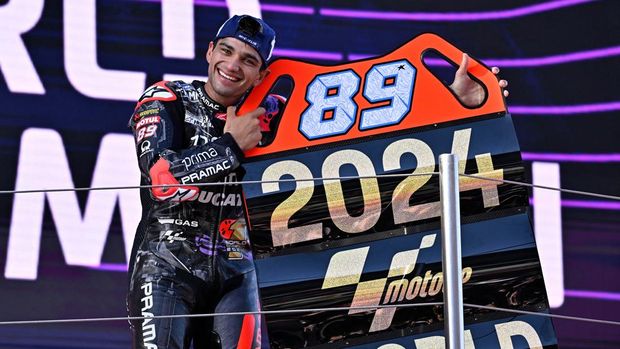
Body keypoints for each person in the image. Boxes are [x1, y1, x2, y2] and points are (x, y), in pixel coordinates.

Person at [126, 14, 508, 349]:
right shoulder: (168, 97)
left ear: (262, 73)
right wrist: (232, 146)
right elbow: (162, 180)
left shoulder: (278, 113)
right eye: (225, 51)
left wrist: (457, 102)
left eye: (248, 60)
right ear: (209, 52)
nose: (232, 65)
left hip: (239, 272)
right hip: (166, 268)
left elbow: (377, 134)